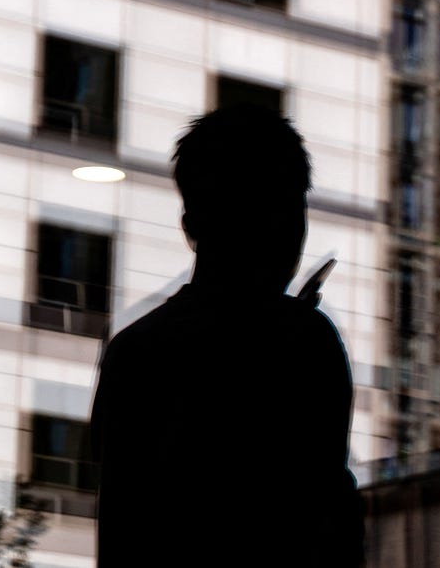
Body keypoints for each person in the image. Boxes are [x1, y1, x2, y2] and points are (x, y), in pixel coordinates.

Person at [89, 104, 363, 566]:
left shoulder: (133, 351)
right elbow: (325, 516)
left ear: (191, 224)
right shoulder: (306, 343)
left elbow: (121, 528)